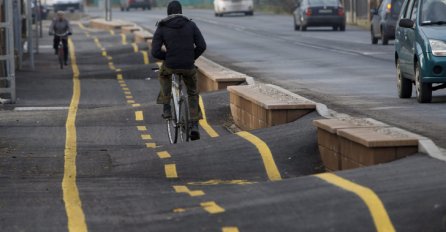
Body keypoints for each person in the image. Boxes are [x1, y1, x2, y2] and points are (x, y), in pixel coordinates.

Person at [151, 0, 207, 141]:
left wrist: (167, 57)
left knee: (164, 75)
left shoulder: (162, 27)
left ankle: (166, 107)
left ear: (168, 12)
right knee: (193, 92)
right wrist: (191, 57)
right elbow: (202, 45)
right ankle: (194, 125)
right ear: (181, 11)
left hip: (170, 64)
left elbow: (155, 52)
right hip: (188, 66)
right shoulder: (191, 24)